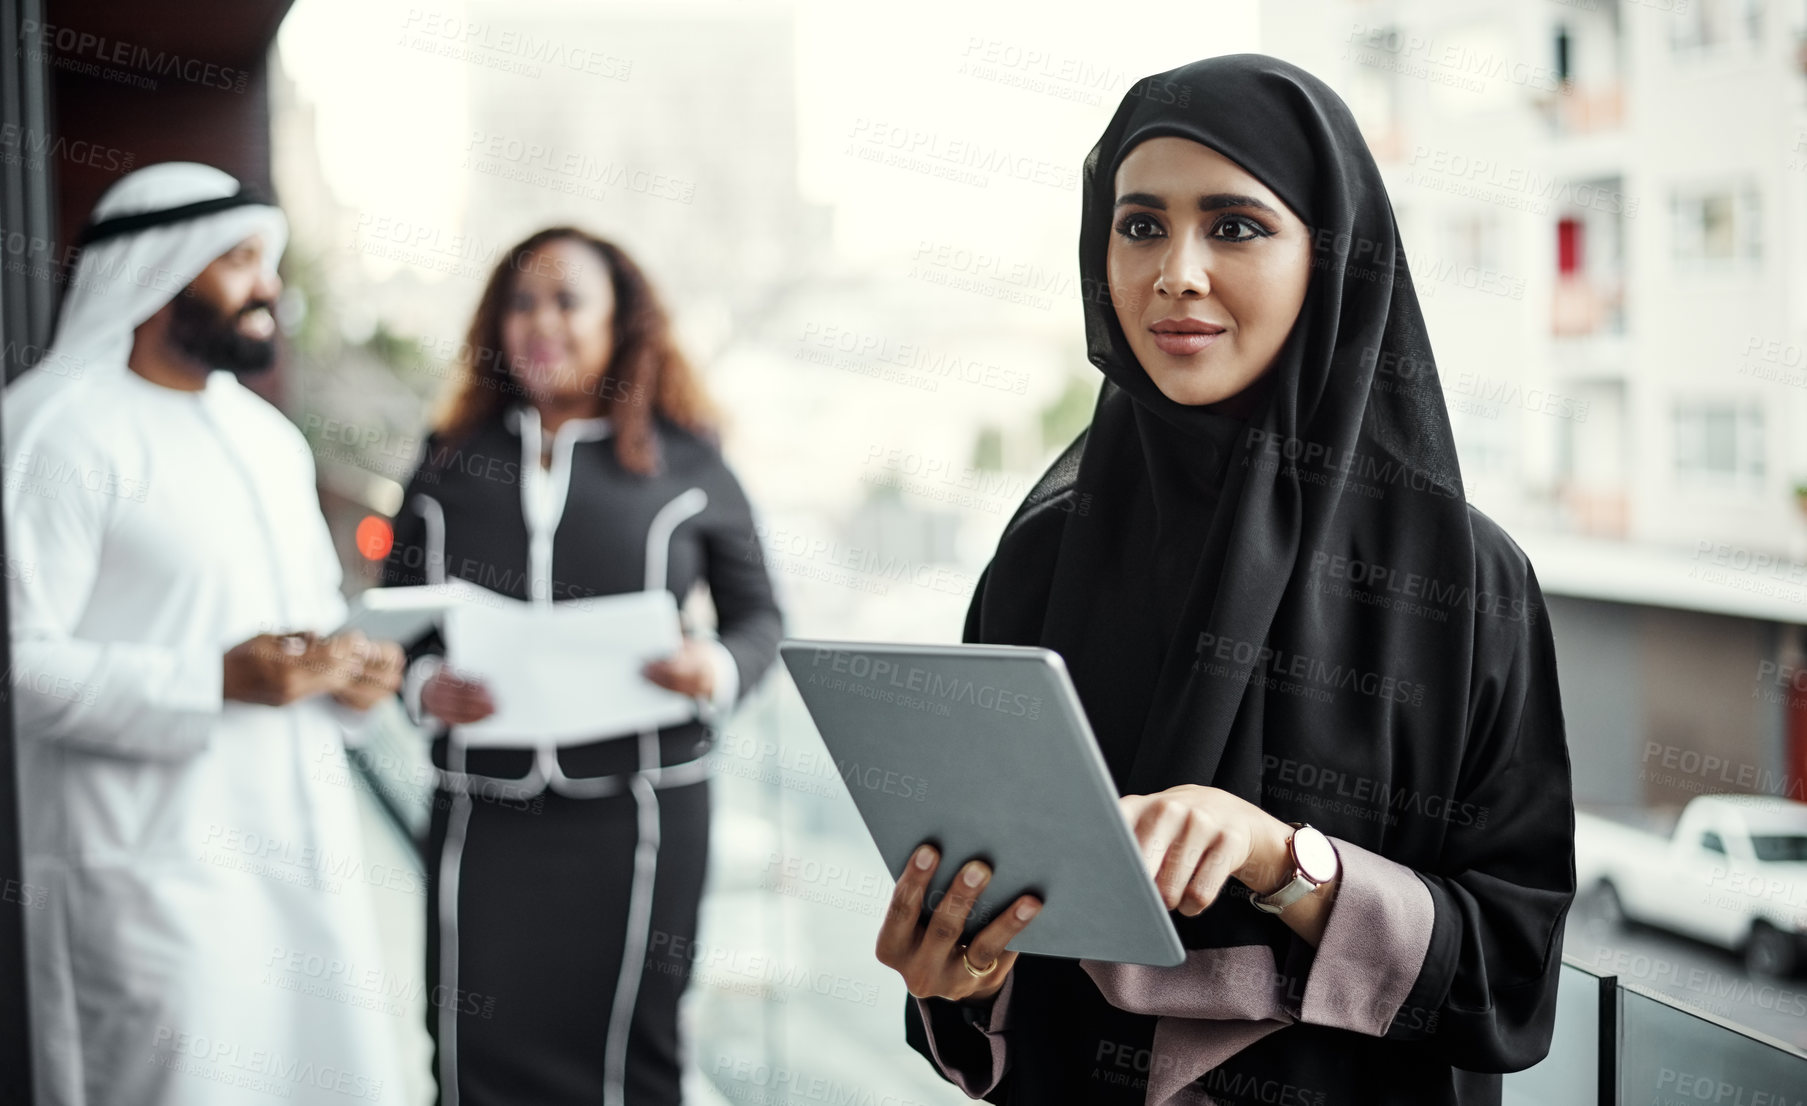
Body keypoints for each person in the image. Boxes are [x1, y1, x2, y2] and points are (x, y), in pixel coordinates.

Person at [879, 55, 1575, 1106]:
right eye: (1140, 224)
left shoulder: (1464, 583)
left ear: (1331, 258)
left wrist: (1282, 860)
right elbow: (986, 963)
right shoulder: (1044, 553)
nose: (1176, 273)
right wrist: (955, 981)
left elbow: (1509, 976)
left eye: (1236, 226)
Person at [5, 162, 410, 1105]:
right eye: (237, 261)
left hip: (304, 859)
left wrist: (349, 675)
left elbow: (307, 628)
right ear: (156, 273)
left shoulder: (270, 441)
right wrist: (213, 681)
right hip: (151, 880)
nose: (268, 287)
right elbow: (19, 665)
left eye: (267, 262)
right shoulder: (52, 435)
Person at [380, 226, 783, 1106]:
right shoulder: (448, 461)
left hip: (643, 817)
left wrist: (709, 667)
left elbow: (760, 620)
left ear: (620, 323)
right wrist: (422, 685)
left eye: (567, 300)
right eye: (520, 303)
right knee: (465, 1044)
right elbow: (396, 620)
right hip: (482, 812)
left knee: (634, 1056)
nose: (540, 322)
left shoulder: (688, 462)